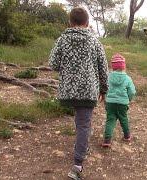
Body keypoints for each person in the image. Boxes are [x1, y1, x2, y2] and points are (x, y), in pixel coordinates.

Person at [49, 7, 109, 180]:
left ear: (70, 22)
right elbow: (103, 68)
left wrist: (68, 68)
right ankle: (77, 166)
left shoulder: (62, 39)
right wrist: (104, 89)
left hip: (68, 91)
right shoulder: (94, 41)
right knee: (84, 124)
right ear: (87, 23)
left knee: (81, 120)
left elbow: (53, 63)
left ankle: (82, 146)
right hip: (88, 91)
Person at [101, 53, 136, 148]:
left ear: (113, 67)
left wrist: (106, 98)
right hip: (123, 103)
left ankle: (107, 140)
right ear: (123, 66)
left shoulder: (108, 77)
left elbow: (104, 88)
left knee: (110, 120)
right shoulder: (127, 78)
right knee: (124, 119)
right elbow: (132, 91)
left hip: (110, 103)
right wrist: (128, 99)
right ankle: (127, 136)